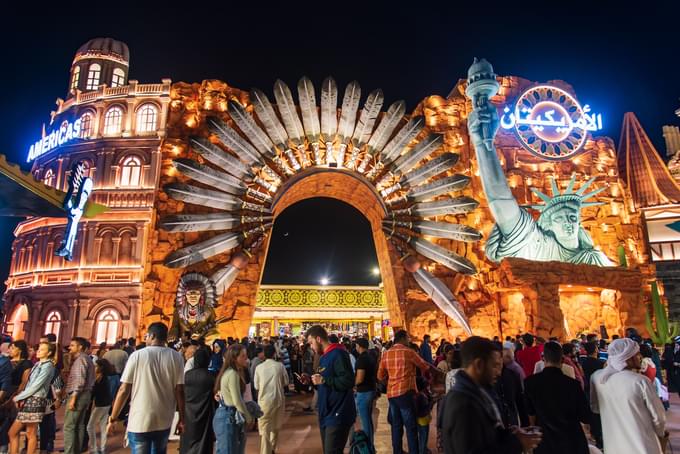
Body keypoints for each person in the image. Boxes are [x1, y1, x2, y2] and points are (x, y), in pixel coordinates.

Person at [441, 336, 541, 454]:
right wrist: (517, 444)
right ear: (479, 365)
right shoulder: (463, 403)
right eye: (494, 366)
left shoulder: (479, 392)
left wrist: (511, 434)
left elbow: (487, 437)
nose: (499, 372)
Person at [107, 322, 185, 454]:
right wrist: (182, 419)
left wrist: (113, 417)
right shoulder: (176, 357)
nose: (145, 338)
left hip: (140, 419)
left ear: (152, 335)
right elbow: (179, 391)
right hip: (164, 419)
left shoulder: (137, 355)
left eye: (147, 336)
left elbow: (124, 389)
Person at [591, 338, 667, 453]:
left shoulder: (597, 378)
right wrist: (661, 433)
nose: (640, 357)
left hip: (614, 446)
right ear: (628, 358)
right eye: (637, 354)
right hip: (643, 445)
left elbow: (596, 408)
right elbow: (658, 417)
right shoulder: (640, 381)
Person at [377, 330, 438, 454]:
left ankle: (397, 451)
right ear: (403, 338)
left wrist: (391, 380)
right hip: (405, 394)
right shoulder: (408, 352)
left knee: (396, 426)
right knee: (410, 428)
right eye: (408, 338)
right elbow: (424, 366)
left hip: (392, 395)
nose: (409, 340)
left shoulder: (386, 354)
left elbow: (380, 376)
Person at [523, 341, 590, 454]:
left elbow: (531, 415)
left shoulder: (530, 383)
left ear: (543, 359)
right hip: (572, 442)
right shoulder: (573, 385)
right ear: (562, 360)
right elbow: (585, 416)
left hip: (545, 442)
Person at [306, 325, 355, 454]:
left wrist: (323, 380)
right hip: (326, 412)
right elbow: (325, 381)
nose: (311, 347)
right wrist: (313, 381)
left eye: (311, 343)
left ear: (318, 339)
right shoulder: (324, 357)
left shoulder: (339, 354)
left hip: (338, 413)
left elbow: (348, 381)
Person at [8, 342, 56, 454]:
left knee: (29, 433)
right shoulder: (38, 364)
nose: (38, 351)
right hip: (30, 399)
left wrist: (18, 397)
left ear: (49, 353)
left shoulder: (48, 366)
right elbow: (29, 384)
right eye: (39, 348)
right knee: (15, 432)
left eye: (42, 349)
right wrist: (21, 397)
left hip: (36, 400)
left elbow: (36, 386)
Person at [213, 343, 253, 454]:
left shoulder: (232, 372)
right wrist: (248, 417)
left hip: (229, 416)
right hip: (228, 417)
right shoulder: (233, 374)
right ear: (235, 358)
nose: (246, 358)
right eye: (243, 356)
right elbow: (237, 400)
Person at [254, 344, 288, 454]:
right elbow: (286, 382)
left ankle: (266, 451)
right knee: (276, 426)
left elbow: (256, 386)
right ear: (274, 354)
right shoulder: (280, 366)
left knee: (265, 430)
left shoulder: (259, 368)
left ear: (264, 354)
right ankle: (272, 448)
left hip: (264, 402)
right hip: (278, 399)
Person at [180, 347, 215, 454]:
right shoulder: (211, 376)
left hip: (189, 413)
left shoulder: (187, 375)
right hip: (205, 413)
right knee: (204, 442)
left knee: (188, 441)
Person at [63, 337, 95, 454]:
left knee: (70, 426)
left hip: (79, 395)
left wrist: (73, 398)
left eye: (72, 345)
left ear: (80, 347)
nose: (70, 348)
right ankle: (76, 449)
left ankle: (70, 451)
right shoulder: (86, 359)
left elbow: (79, 380)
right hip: (86, 394)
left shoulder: (81, 360)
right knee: (79, 425)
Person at [579, 341, 604, 448]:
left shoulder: (583, 363)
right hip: (600, 390)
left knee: (593, 413)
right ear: (595, 350)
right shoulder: (600, 363)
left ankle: (597, 437)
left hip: (588, 389)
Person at [354, 338, 376, 449]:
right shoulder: (371, 357)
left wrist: (353, 384)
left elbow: (360, 378)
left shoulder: (361, 359)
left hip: (364, 392)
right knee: (368, 419)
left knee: (365, 421)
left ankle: (368, 448)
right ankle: (371, 445)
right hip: (371, 390)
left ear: (359, 346)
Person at [87, 359, 113, 454]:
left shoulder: (100, 378)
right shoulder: (104, 377)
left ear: (101, 367)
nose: (95, 367)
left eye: (96, 366)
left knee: (90, 426)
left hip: (101, 405)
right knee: (102, 426)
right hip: (106, 404)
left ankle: (94, 449)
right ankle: (102, 448)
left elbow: (95, 392)